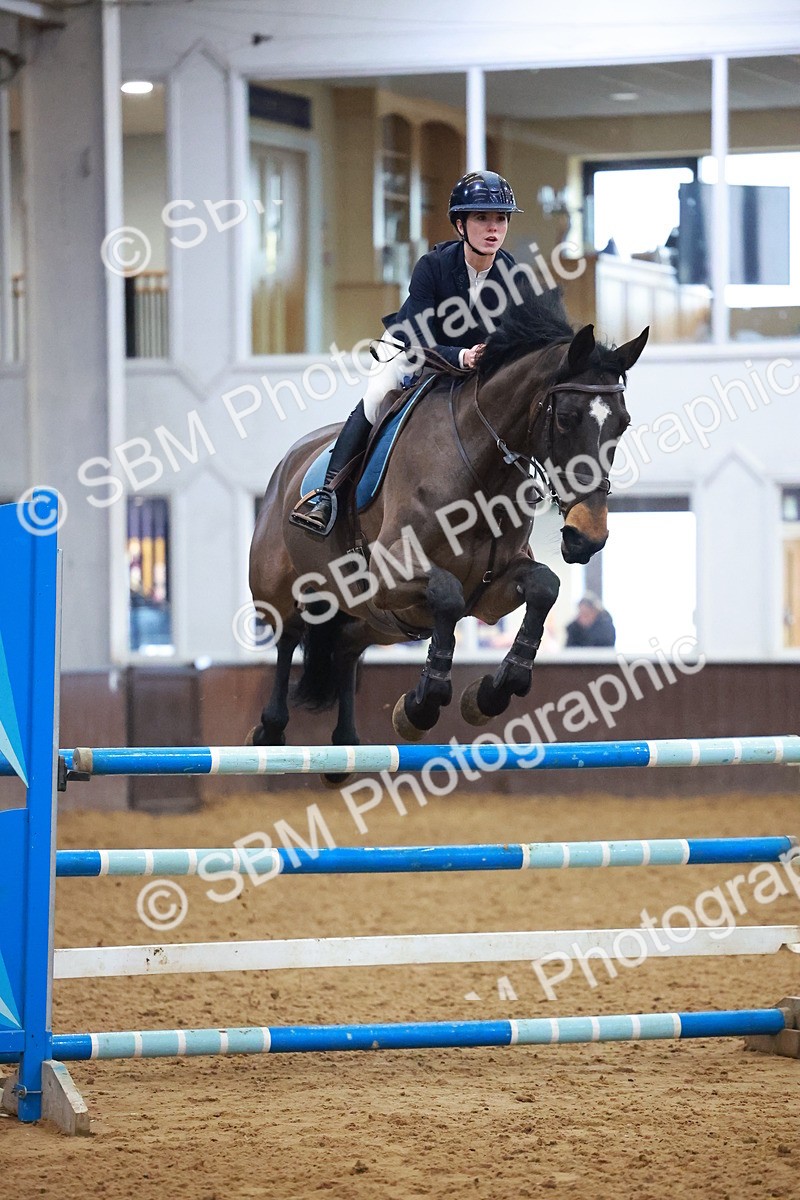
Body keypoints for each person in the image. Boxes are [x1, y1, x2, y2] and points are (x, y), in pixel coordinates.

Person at [297, 169, 523, 535]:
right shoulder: (432, 267)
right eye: (481, 217)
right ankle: (327, 495)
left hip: (476, 363)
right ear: (461, 225)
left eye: (500, 218)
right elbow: (418, 339)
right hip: (410, 348)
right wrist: (461, 357)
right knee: (374, 400)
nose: (493, 227)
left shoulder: (513, 274)